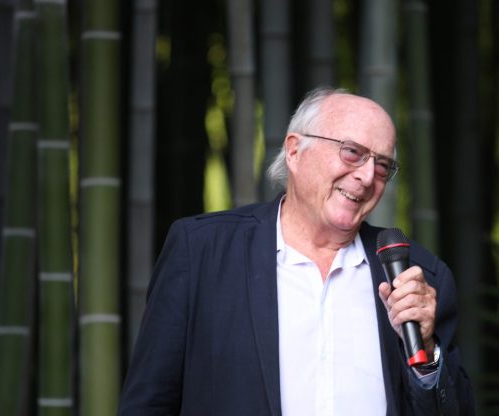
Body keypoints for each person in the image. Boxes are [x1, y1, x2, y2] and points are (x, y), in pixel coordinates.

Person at [118, 87, 475, 415]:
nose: (367, 177)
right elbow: (148, 403)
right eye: (352, 152)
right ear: (294, 151)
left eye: (382, 165)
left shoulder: (418, 278)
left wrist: (427, 351)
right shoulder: (202, 253)